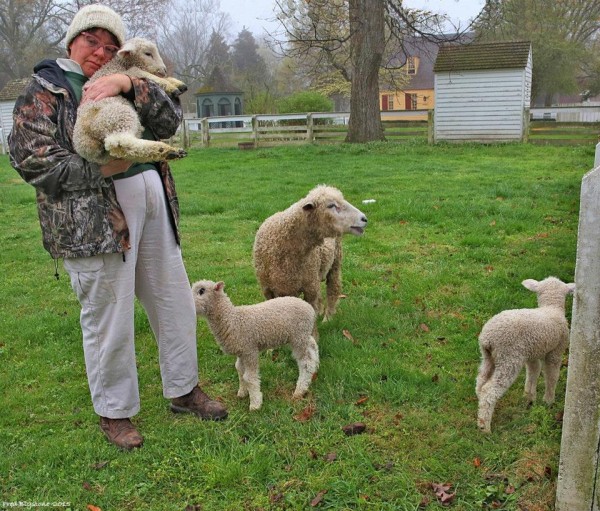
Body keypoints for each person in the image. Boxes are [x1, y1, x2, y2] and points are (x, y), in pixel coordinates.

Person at [9, 4, 227, 450]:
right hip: (93, 220)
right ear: (73, 41)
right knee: (109, 318)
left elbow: (169, 121)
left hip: (153, 204)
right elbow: (31, 158)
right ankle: (115, 412)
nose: (99, 51)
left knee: (174, 304)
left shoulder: (127, 76)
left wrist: (129, 81)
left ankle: (184, 390)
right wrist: (102, 170)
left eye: (109, 45)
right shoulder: (45, 88)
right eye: (92, 41)